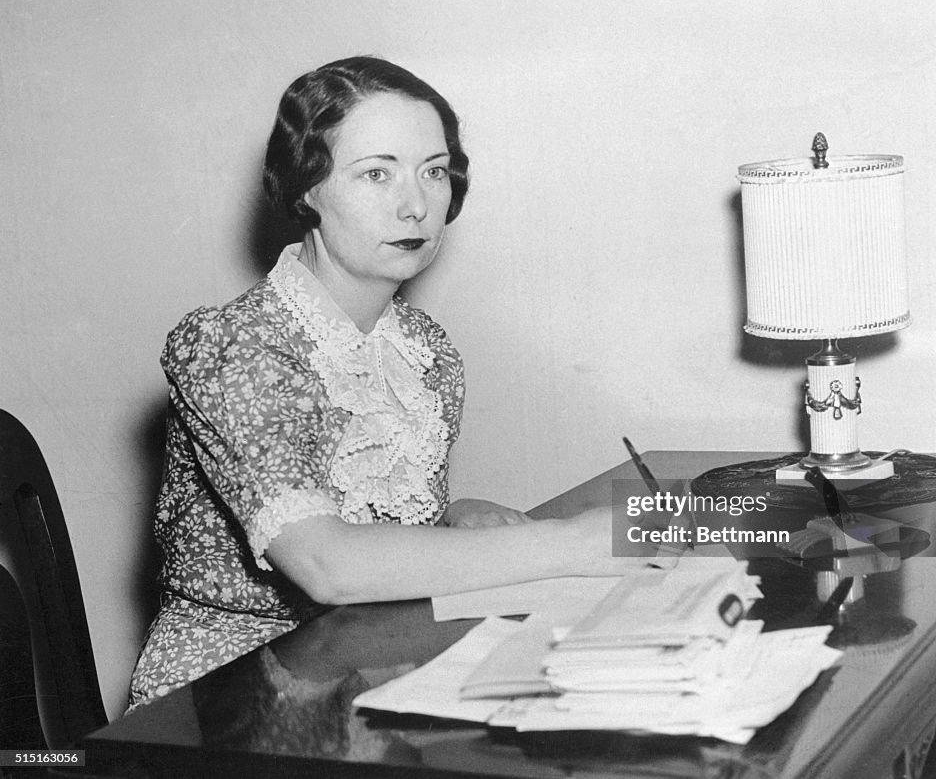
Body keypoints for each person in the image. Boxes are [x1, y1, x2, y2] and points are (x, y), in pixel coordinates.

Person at [127, 56, 669, 710]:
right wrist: (575, 543)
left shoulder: (425, 353)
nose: (415, 205)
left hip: (375, 660)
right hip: (230, 697)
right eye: (376, 173)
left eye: (433, 172)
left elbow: (365, 520)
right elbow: (329, 564)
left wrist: (452, 516)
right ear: (306, 189)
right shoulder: (232, 348)